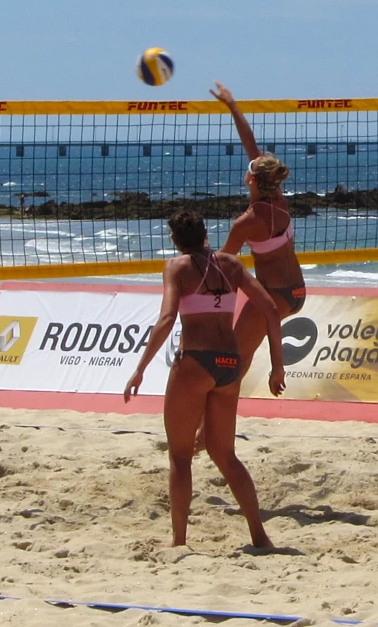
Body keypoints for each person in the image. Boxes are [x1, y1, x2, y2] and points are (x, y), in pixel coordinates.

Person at [123, 209, 285, 548]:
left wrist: (140, 368)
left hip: (196, 362)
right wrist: (277, 366)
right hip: (230, 364)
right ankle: (259, 535)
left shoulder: (176, 267)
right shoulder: (231, 265)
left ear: (175, 240)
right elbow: (270, 309)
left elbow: (167, 318)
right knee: (225, 455)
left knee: (181, 457)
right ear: (204, 234)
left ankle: (179, 542)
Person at [193, 82, 306, 452]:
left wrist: (196, 256)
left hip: (274, 296)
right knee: (238, 356)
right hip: (297, 291)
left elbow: (223, 267)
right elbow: (251, 145)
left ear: (252, 180)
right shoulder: (280, 201)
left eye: (250, 169)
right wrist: (232, 106)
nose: (248, 167)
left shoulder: (247, 221)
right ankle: (209, 430)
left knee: (232, 364)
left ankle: (209, 432)